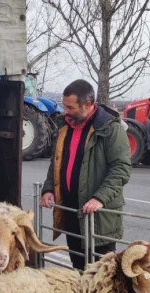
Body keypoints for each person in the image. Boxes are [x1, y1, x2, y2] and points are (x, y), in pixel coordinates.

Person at [40, 79, 131, 270]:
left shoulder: (110, 129)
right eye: (64, 106)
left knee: (101, 274)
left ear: (88, 105)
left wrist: (100, 198)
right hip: (72, 212)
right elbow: (56, 162)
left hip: (98, 216)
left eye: (70, 107)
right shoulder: (65, 127)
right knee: (79, 267)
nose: (65, 111)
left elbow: (121, 168)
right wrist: (49, 189)